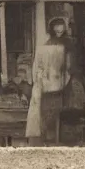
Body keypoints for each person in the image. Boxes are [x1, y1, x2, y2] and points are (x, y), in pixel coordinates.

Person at [25, 17, 71, 145]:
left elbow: (68, 68)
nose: (58, 30)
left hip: (63, 84)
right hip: (46, 85)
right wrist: (40, 80)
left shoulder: (67, 46)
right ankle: (44, 136)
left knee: (58, 111)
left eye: (61, 27)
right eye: (56, 27)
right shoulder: (44, 47)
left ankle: (57, 137)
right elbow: (38, 66)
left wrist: (64, 81)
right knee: (45, 111)